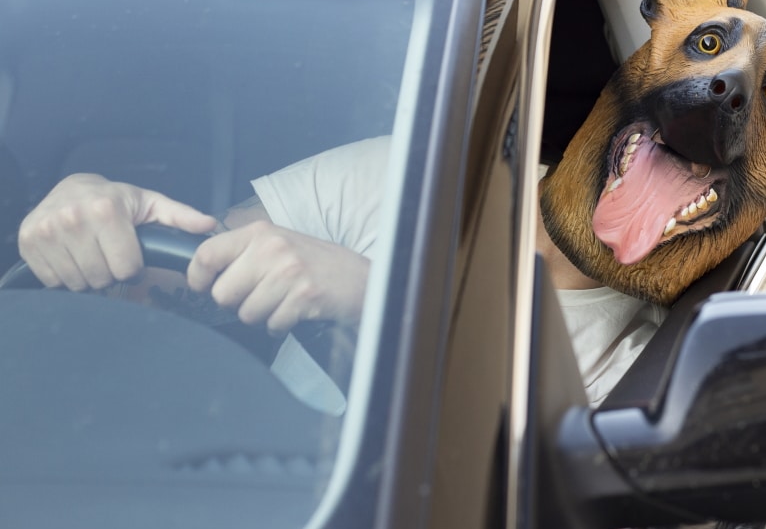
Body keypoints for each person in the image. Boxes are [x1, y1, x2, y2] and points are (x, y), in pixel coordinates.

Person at [16, 136, 662, 406]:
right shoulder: (408, 176)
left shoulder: (660, 361)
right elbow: (183, 270)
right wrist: (94, 209)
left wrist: (382, 299)